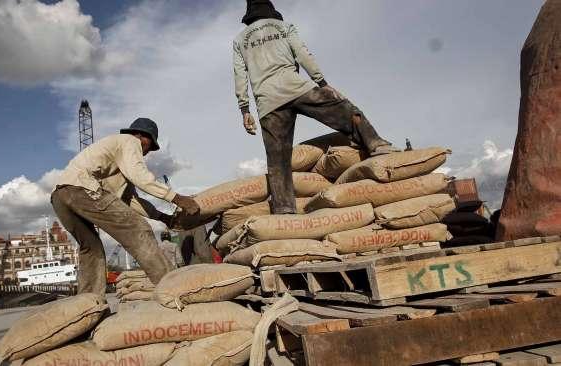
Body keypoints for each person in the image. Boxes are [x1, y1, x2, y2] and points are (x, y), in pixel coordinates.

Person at [233, 0, 400, 214]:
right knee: (347, 112)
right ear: (270, 10)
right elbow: (303, 54)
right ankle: (376, 144)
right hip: (298, 88)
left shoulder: (240, 40)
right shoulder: (284, 27)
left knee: (278, 160)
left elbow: (240, 75)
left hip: (268, 103)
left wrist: (244, 109)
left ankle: (284, 209)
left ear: (249, 15)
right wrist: (323, 84)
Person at [51, 118, 200, 296]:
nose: (146, 153)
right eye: (149, 147)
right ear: (144, 137)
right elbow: (139, 174)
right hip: (81, 189)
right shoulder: (130, 141)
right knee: (138, 229)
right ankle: (173, 288)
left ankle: (89, 302)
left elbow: (131, 201)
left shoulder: (117, 161)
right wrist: (176, 198)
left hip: (60, 196)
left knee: (91, 248)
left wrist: (163, 217)